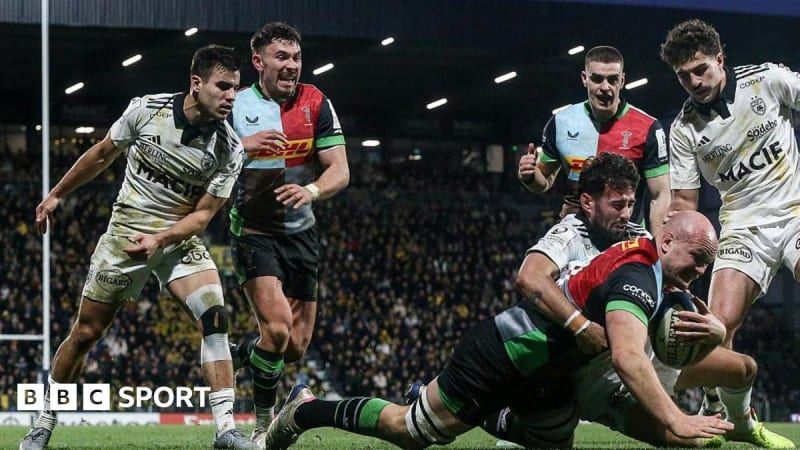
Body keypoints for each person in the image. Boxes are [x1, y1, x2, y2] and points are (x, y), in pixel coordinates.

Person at [259, 211, 733, 450]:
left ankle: (488, 416)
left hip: (549, 374)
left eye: (706, 265)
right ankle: (307, 410)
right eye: (697, 260)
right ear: (666, 241)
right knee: (410, 431)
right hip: (505, 354)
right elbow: (628, 356)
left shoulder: (650, 264)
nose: (700, 272)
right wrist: (675, 417)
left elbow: (660, 330)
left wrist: (713, 328)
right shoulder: (637, 276)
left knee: (551, 443)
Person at [21, 45, 257, 450]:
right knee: (86, 333)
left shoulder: (229, 148)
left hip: (178, 239)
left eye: (235, 88)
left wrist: (162, 239)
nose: (231, 96)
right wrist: (57, 194)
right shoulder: (147, 111)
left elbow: (203, 216)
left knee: (215, 318)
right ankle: (43, 423)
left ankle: (226, 431)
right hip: (126, 235)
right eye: (223, 86)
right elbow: (102, 154)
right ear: (196, 83)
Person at [660, 18, 798, 448]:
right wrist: (676, 257)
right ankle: (735, 418)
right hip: (741, 226)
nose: (694, 82)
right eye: (683, 76)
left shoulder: (768, 80)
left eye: (700, 69)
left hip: (796, 211)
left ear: (720, 59)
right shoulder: (683, 129)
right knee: (716, 325)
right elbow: (684, 203)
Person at [227, 22, 349, 445]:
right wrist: (242, 148)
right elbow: (206, 159)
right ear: (258, 61)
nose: (292, 65)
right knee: (277, 330)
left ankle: (244, 353)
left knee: (294, 347)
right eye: (281, 57)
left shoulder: (316, 101)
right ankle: (263, 427)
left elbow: (339, 170)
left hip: (302, 234)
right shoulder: (236, 105)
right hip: (254, 231)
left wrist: (311, 190)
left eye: (296, 57)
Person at [518, 45, 670, 237]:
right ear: (585, 78)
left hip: (625, 236)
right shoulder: (561, 122)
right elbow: (543, 181)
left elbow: (661, 195)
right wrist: (530, 175)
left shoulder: (648, 127)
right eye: (597, 79)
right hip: (574, 234)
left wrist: (657, 247)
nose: (605, 87)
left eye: (612, 79)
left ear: (622, 80)